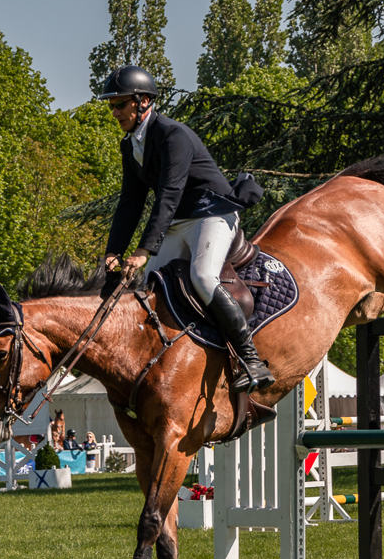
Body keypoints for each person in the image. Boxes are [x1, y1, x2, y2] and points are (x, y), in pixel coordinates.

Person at [98, 65, 273, 393]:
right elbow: (130, 203)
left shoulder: (172, 135)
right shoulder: (130, 145)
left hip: (213, 213)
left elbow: (168, 194)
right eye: (113, 106)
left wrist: (143, 249)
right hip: (180, 221)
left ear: (144, 101)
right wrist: (114, 250)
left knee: (203, 278)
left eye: (120, 104)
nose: (115, 112)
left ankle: (251, 360)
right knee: (150, 288)